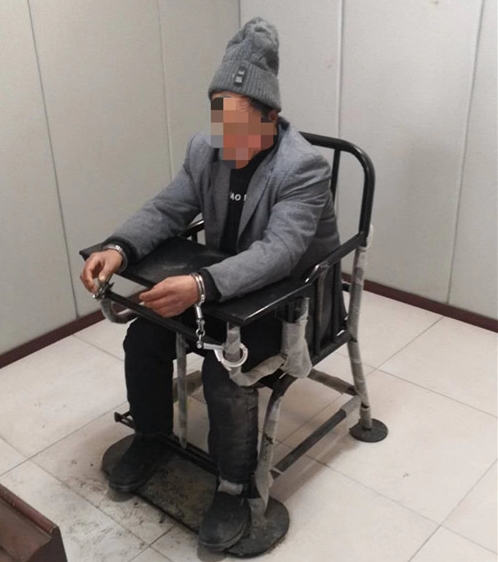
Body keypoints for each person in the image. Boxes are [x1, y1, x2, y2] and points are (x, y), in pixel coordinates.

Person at [80, 17, 340, 552]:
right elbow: (168, 209)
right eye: (220, 122)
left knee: (226, 371)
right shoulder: (206, 148)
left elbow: (279, 253)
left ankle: (232, 487)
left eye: (239, 126)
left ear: (271, 118)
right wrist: (118, 247)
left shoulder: (303, 168)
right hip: (223, 289)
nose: (227, 138)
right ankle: (151, 436)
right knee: (144, 337)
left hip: (290, 301)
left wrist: (199, 284)